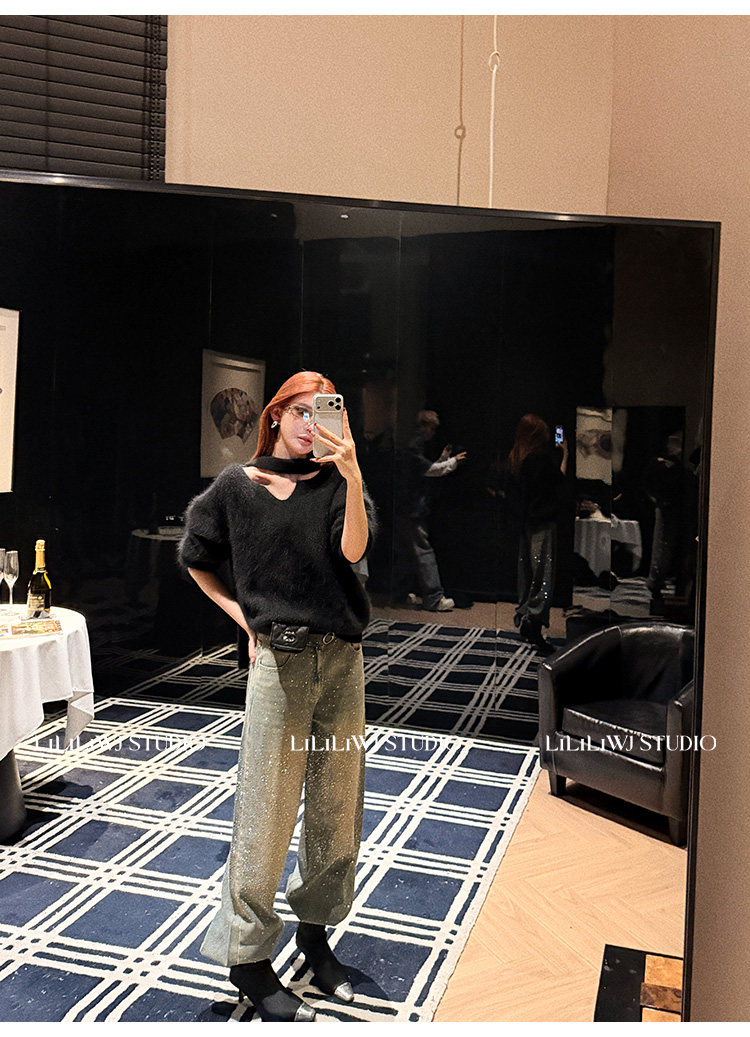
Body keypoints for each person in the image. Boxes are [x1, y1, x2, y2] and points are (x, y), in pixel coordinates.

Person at [179, 371, 377, 1022]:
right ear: (274, 416)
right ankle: (247, 958)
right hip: (280, 666)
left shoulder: (337, 483)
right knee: (265, 811)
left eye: (321, 411)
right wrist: (243, 617)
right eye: (298, 411)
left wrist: (352, 473)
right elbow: (196, 555)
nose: (308, 424)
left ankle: (314, 935)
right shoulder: (239, 486)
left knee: (336, 810)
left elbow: (354, 550)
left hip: (342, 662)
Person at [394, 409, 467, 611]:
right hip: (412, 508)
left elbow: (425, 470)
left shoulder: (412, 445)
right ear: (423, 426)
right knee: (422, 550)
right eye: (432, 429)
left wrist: (444, 459)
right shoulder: (413, 446)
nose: (433, 433)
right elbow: (429, 471)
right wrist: (453, 462)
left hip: (406, 507)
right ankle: (434, 597)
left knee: (406, 552)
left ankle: (399, 593)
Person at [508, 414, 567, 654]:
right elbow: (559, 482)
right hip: (542, 521)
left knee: (526, 573)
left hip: (525, 522)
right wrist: (564, 454)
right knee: (542, 574)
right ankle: (534, 623)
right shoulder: (541, 458)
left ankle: (525, 617)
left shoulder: (516, 457)